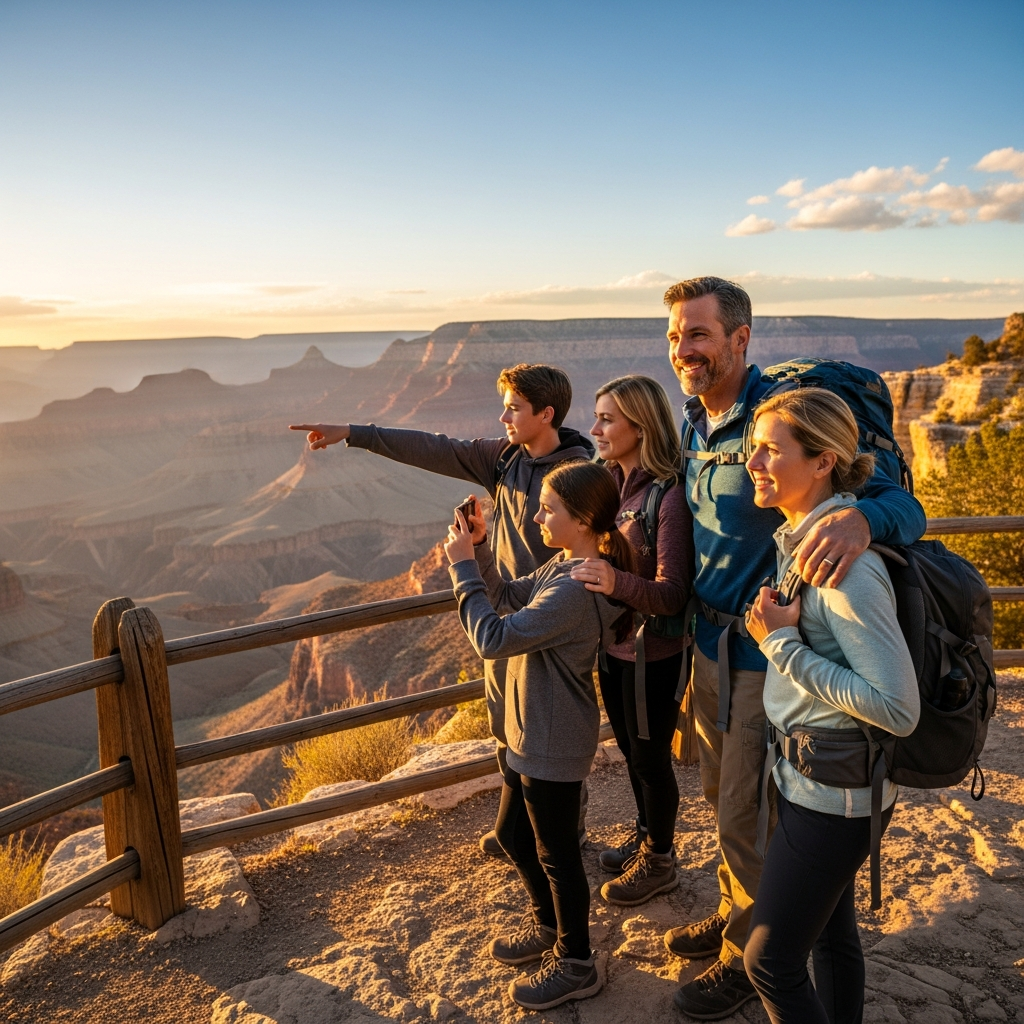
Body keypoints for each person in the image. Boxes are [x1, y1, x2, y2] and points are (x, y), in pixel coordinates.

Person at [660, 277, 926, 1020]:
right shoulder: (697, 422)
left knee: (750, 813)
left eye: (699, 334)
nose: (684, 349)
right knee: (724, 802)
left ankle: (748, 958)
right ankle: (736, 911)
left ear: (739, 338)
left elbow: (901, 502)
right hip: (712, 643)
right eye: (676, 335)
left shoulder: (784, 416)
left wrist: (863, 522)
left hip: (765, 659)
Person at [291, 362, 594, 854]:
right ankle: (515, 830)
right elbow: (435, 447)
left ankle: (564, 836)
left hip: (554, 617)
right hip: (502, 608)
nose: (503, 418)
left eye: (514, 409)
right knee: (506, 725)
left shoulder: (578, 476)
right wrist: (353, 433)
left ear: (546, 414)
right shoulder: (504, 459)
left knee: (549, 732)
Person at [741, 388, 920, 1023]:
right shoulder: (807, 539)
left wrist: (780, 645)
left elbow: (897, 707)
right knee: (830, 937)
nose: (752, 463)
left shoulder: (844, 568)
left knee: (769, 962)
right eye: (752, 448)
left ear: (823, 462)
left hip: (834, 798)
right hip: (815, 781)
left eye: (771, 450)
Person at [444, 460, 631, 1011]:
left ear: (584, 519)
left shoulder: (575, 588)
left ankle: (576, 962)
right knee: (515, 837)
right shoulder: (564, 565)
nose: (536, 517)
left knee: (558, 856)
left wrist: (461, 570)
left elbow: (493, 638)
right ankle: (548, 926)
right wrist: (481, 550)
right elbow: (506, 597)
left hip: (552, 737)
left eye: (548, 509)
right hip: (530, 730)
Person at [568, 374, 694, 906]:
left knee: (649, 759)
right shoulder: (609, 483)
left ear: (639, 426)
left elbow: (673, 594)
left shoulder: (668, 497)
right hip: (614, 649)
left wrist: (614, 580)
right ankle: (647, 836)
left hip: (652, 655)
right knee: (629, 751)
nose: (595, 429)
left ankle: (660, 861)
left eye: (607, 419)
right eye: (596, 417)